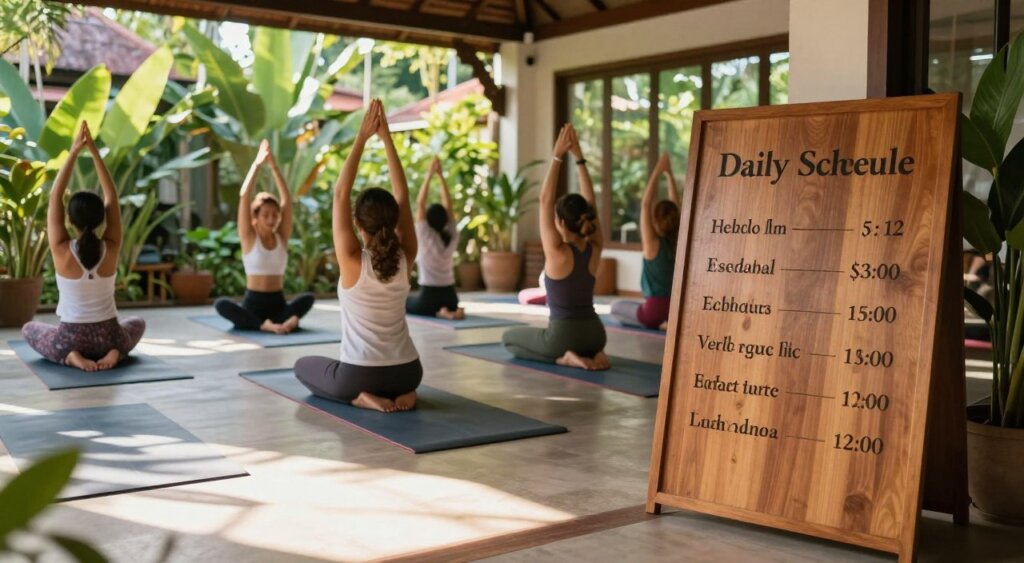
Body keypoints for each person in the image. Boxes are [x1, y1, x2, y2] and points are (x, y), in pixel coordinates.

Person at [294, 99, 422, 412]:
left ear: (356, 224)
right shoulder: (406, 256)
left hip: (360, 374)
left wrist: (362, 137)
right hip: (409, 372)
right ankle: (406, 395)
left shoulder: (353, 262)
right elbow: (404, 196)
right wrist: (386, 138)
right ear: (394, 221)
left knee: (302, 366)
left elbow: (340, 193)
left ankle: (361, 398)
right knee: (396, 379)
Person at [22, 124, 145, 372]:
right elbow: (111, 197)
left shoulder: (61, 248)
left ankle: (70, 357)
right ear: (102, 218)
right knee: (138, 322)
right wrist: (95, 153)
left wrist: (74, 152)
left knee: (29, 329)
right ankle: (115, 353)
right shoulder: (110, 246)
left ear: (70, 221)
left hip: (71, 338)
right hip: (110, 336)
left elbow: (55, 197)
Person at [501, 123, 610, 371]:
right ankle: (595, 355)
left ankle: (564, 358)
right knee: (532, 340)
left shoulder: (558, 253)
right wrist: (579, 159)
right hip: (596, 335)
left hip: (564, 337)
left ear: (560, 222)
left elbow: (544, 200)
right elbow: (590, 202)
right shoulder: (595, 247)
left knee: (509, 340)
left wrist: (557, 155)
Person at [214, 140, 314, 334]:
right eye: (266, 215)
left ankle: (277, 322)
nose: (271, 219)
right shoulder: (249, 237)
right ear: (256, 218)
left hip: (278, 303)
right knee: (221, 304)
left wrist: (275, 168)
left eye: (275, 214)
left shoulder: (282, 237)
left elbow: (287, 200)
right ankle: (268, 324)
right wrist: (257, 165)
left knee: (308, 298)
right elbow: (245, 197)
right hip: (253, 304)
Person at [609, 153, 680, 330]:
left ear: (655, 221)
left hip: (652, 312)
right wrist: (669, 174)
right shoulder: (678, 241)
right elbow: (675, 206)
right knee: (629, 305)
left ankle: (657, 323)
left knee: (615, 307)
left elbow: (646, 204)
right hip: (675, 309)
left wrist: (657, 170)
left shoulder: (652, 245)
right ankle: (666, 322)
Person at [405, 156, 465, 319]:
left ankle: (442, 312)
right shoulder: (451, 234)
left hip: (429, 297)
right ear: (446, 220)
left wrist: (429, 175)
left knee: (404, 302)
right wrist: (440, 176)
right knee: (446, 304)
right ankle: (450, 310)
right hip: (451, 295)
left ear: (428, 220)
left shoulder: (425, 234)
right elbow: (449, 204)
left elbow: (420, 204)